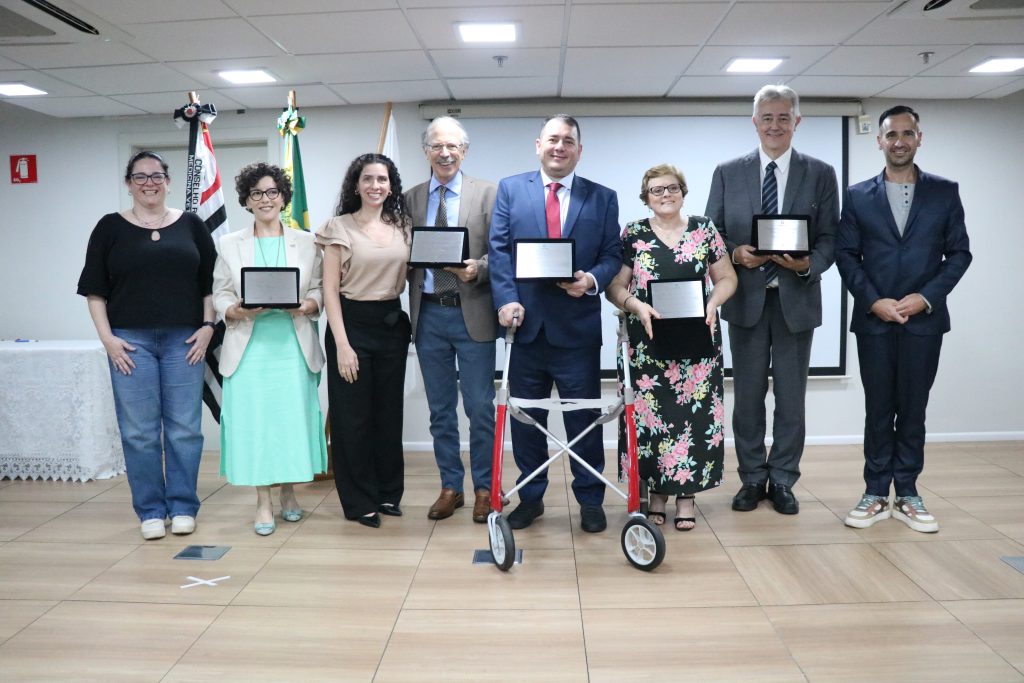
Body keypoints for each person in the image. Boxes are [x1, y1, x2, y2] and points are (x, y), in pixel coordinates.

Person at [836, 106, 972, 533]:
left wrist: (925, 298)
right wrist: (875, 301)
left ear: (919, 138)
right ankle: (876, 493)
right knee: (879, 408)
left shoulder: (945, 193)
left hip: (923, 322)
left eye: (907, 133)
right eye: (890, 134)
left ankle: (908, 493)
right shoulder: (857, 195)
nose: (899, 141)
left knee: (913, 409)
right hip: (875, 321)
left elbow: (960, 254)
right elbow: (845, 255)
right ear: (878, 140)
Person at [705, 84, 839, 516]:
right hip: (745, 301)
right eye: (768, 117)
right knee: (745, 400)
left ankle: (782, 479)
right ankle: (750, 478)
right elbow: (712, 235)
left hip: (795, 303)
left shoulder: (820, 173)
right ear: (754, 123)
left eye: (784, 117)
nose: (775, 125)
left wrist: (806, 266)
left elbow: (830, 239)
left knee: (791, 400)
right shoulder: (728, 171)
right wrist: (734, 254)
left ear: (797, 121)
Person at [488, 114, 621, 533]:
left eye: (568, 141)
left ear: (579, 150)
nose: (559, 147)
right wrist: (507, 300)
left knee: (583, 421)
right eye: (552, 139)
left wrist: (591, 280)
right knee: (527, 422)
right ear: (538, 145)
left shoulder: (603, 197)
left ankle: (590, 500)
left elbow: (612, 253)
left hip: (577, 331)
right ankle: (531, 497)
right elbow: (500, 250)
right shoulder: (511, 189)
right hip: (524, 329)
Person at [78, 151, 216, 540]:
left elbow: (210, 283)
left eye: (156, 175)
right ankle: (151, 510)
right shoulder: (109, 228)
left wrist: (208, 326)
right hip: (130, 342)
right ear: (128, 184)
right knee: (139, 432)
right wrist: (108, 339)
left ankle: (184, 506)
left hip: (184, 340)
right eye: (140, 177)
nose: (149, 182)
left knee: (184, 429)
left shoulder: (191, 225)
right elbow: (94, 290)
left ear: (169, 181)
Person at [607, 164, 737, 530]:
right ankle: (657, 495)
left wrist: (714, 302)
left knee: (695, 420)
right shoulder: (633, 233)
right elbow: (615, 287)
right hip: (647, 346)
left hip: (698, 341)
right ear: (646, 198)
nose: (665, 195)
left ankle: (686, 498)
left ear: (683, 190)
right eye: (656, 190)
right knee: (651, 423)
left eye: (672, 187)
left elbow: (728, 278)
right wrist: (635, 304)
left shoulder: (704, 229)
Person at [213, 162, 328, 535]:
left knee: (290, 424)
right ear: (246, 200)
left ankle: (290, 492)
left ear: (283, 198)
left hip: (292, 348)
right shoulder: (229, 243)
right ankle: (263, 500)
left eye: (272, 192)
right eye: (257, 193)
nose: (265, 199)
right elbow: (221, 293)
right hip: (249, 350)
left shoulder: (308, 242)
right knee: (257, 426)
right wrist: (235, 309)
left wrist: (307, 306)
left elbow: (317, 291)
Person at [406, 116, 499, 523]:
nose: (445, 153)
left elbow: (504, 252)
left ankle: (484, 488)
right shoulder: (409, 199)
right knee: (440, 409)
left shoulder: (489, 195)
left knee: (480, 407)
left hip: (472, 313)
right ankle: (450, 487)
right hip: (428, 315)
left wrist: (479, 267)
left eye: (453, 146)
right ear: (426, 151)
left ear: (464, 151)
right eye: (436, 146)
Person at [316, 154, 412, 529]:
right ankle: (359, 501)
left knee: (388, 415)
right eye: (368, 179)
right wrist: (342, 344)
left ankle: (388, 492)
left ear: (391, 186)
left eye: (382, 179)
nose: (375, 186)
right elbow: (330, 291)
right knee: (352, 419)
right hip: (350, 324)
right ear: (355, 185)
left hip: (391, 324)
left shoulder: (403, 225)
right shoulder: (337, 227)